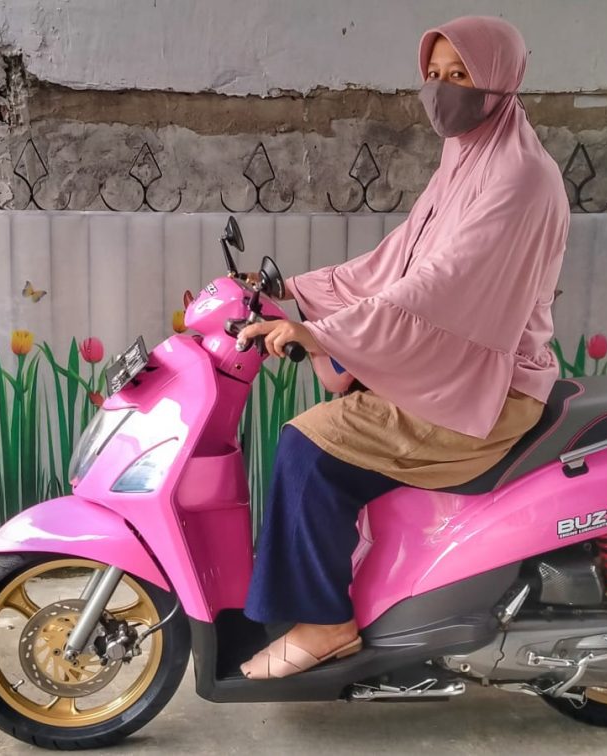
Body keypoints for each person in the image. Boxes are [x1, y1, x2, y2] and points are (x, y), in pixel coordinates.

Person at [236, 15, 570, 680]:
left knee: (308, 448)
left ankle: (325, 625)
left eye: (461, 74)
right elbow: (399, 259)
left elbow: (439, 290)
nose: (442, 90)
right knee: (325, 432)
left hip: (487, 391)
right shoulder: (469, 157)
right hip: (459, 374)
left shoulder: (518, 177)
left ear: (501, 79)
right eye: (435, 74)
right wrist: (293, 289)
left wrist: (322, 333)